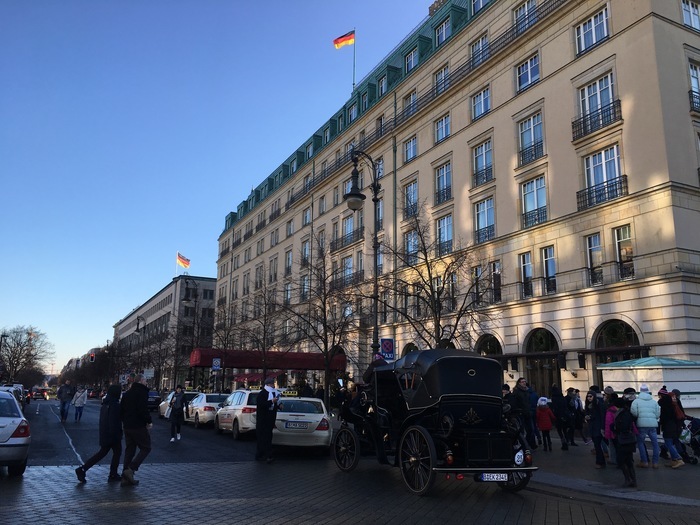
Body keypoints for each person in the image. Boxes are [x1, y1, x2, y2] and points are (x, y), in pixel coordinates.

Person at [74, 384, 123, 483]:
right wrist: (117, 434)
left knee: (102, 453)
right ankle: (112, 474)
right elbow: (114, 421)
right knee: (116, 453)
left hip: (105, 433)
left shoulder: (105, 403)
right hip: (112, 434)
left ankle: (83, 469)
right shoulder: (115, 405)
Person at [120, 373, 153, 486]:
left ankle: (125, 477)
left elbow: (122, 409)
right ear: (140, 381)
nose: (146, 382)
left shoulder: (127, 393)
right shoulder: (142, 392)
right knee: (146, 447)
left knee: (130, 450)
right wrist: (148, 421)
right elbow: (143, 409)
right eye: (145, 380)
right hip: (138, 425)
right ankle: (131, 469)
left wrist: (124, 422)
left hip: (127, 426)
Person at [630, 383, 660, 468]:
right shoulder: (654, 401)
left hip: (641, 424)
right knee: (655, 444)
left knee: (640, 443)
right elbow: (658, 414)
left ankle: (644, 461)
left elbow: (634, 413)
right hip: (653, 425)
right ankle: (655, 463)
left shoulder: (636, 401)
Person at [612, 395, 638, 487]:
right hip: (628, 439)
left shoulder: (623, 414)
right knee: (628, 460)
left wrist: (614, 428)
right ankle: (632, 480)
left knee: (623, 460)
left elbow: (623, 427)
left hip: (624, 440)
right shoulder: (626, 412)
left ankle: (629, 479)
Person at [658, 388, 684, 468]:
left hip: (668, 426)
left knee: (668, 443)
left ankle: (678, 458)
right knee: (672, 442)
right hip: (677, 426)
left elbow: (663, 416)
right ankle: (673, 461)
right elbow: (681, 412)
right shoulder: (676, 401)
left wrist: (661, 424)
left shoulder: (664, 402)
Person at [256, 377, 279, 463]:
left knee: (268, 437)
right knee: (263, 438)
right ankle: (262, 455)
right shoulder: (262, 394)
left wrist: (278, 406)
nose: (273, 385)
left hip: (270, 419)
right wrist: (271, 402)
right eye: (272, 383)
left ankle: (267, 454)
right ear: (269, 384)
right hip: (263, 420)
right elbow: (262, 405)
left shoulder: (273, 393)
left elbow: (273, 406)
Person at [511, 378, 536, 449]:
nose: (524, 383)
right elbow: (514, 403)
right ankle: (523, 445)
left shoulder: (527, 391)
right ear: (519, 383)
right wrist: (518, 410)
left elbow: (528, 402)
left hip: (527, 413)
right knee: (521, 430)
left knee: (531, 430)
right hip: (521, 413)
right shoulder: (516, 392)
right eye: (522, 382)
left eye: (525, 382)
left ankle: (525, 443)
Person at [585, 390, 606, 468]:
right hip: (592, 427)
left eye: (590, 396)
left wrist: (602, 428)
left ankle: (599, 462)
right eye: (588, 396)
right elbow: (588, 414)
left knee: (597, 445)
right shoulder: (588, 405)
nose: (589, 398)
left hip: (598, 427)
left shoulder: (598, 404)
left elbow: (601, 416)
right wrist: (587, 417)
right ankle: (601, 461)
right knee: (597, 445)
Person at [550, 385, 570, 450]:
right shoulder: (562, 397)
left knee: (559, 430)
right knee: (564, 430)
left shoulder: (554, 398)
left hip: (558, 416)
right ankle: (566, 441)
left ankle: (563, 442)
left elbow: (555, 408)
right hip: (564, 415)